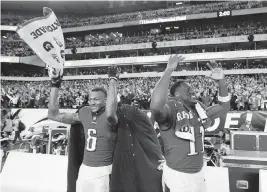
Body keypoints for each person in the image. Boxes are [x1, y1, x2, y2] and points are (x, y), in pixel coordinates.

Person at [150, 55, 230, 192]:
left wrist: (221, 82)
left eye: (192, 89)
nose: (192, 91)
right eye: (187, 89)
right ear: (176, 94)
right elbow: (156, 106)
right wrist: (168, 71)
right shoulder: (171, 107)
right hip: (178, 175)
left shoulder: (198, 108)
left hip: (198, 173)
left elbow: (224, 107)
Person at [47, 67, 117, 192]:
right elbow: (53, 114)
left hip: (104, 171)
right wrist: (55, 84)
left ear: (106, 101)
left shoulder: (111, 116)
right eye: (90, 99)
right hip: (85, 169)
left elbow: (111, 112)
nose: (92, 102)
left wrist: (112, 80)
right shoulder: (84, 112)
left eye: (96, 99)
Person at [106, 66, 164, 192]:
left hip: (144, 164)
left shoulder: (140, 115)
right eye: (133, 103)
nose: (135, 105)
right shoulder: (130, 115)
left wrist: (112, 80)